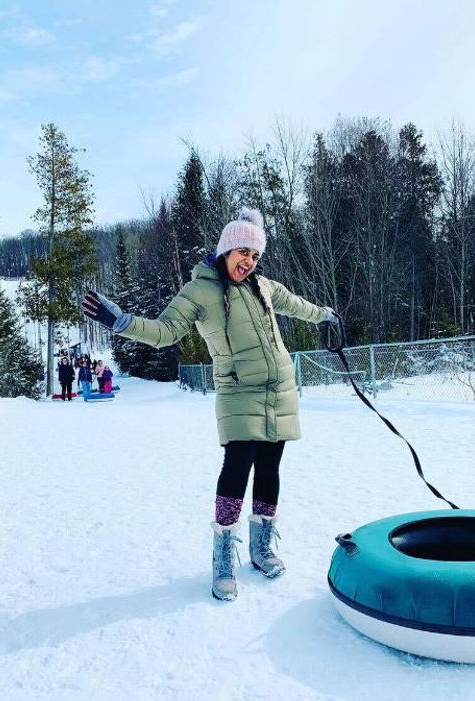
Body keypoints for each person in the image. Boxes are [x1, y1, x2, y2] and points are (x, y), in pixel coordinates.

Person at [82, 207, 339, 602]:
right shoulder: (200, 291)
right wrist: (122, 322)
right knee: (236, 470)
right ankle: (223, 560)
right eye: (243, 252)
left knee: (270, 469)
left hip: (280, 390)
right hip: (238, 391)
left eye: (255, 255)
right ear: (225, 250)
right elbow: (165, 331)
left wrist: (325, 315)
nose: (249, 262)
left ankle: (261, 548)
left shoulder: (264, 286)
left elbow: (296, 304)